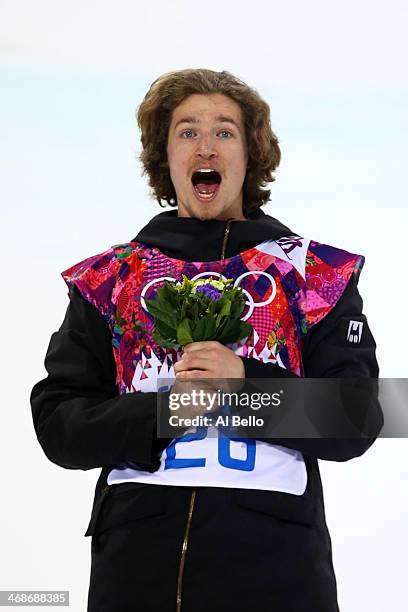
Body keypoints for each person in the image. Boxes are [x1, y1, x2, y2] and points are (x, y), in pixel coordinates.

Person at [30, 68, 382, 612]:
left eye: (225, 131)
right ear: (164, 157)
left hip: (278, 577)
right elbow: (57, 423)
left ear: (251, 154)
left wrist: (242, 387)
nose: (206, 146)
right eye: (187, 131)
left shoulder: (314, 276)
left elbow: (359, 417)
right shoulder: (112, 280)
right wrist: (164, 414)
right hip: (134, 575)